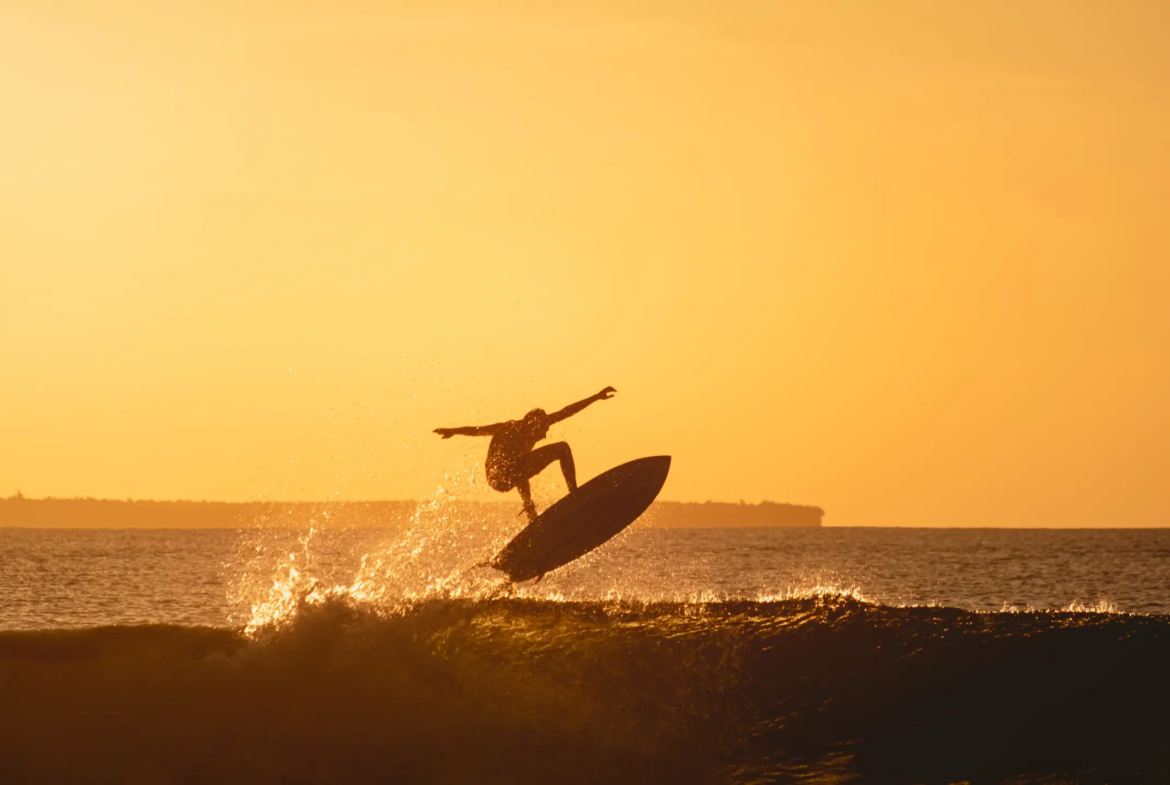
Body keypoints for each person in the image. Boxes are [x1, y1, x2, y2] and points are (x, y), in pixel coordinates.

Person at [434, 387, 616, 522]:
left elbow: (566, 412)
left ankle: (530, 512)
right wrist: (453, 430)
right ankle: (574, 494)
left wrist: (596, 397)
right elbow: (477, 430)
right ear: (533, 424)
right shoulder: (509, 428)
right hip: (499, 475)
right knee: (562, 448)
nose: (544, 435)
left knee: (522, 465)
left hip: (506, 476)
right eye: (542, 430)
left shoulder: (535, 427)